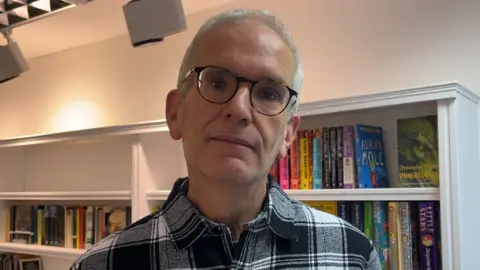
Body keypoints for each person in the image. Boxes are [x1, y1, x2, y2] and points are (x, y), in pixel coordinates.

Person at [70, 8, 381, 270]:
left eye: (269, 92)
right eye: (218, 82)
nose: (239, 108)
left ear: (288, 133)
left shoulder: (351, 255)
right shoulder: (102, 264)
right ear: (175, 112)